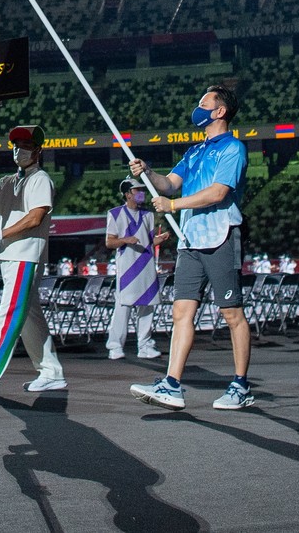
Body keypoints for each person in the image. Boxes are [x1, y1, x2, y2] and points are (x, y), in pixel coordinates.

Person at [129, 84, 254, 411]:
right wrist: (148, 172)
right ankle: (171, 385)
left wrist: (173, 206)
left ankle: (240, 385)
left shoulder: (233, 149)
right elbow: (169, 183)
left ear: (220, 111)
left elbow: (217, 193)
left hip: (221, 236)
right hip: (191, 240)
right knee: (181, 312)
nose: (197, 108)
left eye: (203, 103)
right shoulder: (195, 151)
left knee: (231, 313)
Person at [0, 124, 65, 395]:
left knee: (10, 314)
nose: (19, 150)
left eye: (26, 146)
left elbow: (36, 216)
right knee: (29, 316)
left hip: (25, 255)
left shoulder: (40, 179)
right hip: (10, 255)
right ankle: (51, 373)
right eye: (16, 145)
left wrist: (1, 233)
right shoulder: (7, 180)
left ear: (38, 150)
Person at [105, 178, 170, 361]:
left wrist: (161, 238)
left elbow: (147, 242)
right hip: (127, 266)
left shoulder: (148, 215)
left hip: (147, 264)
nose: (142, 193)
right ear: (128, 194)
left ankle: (145, 345)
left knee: (147, 306)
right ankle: (115, 346)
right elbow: (110, 242)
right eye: (138, 190)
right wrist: (126, 240)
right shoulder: (115, 214)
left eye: (142, 190)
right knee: (123, 307)